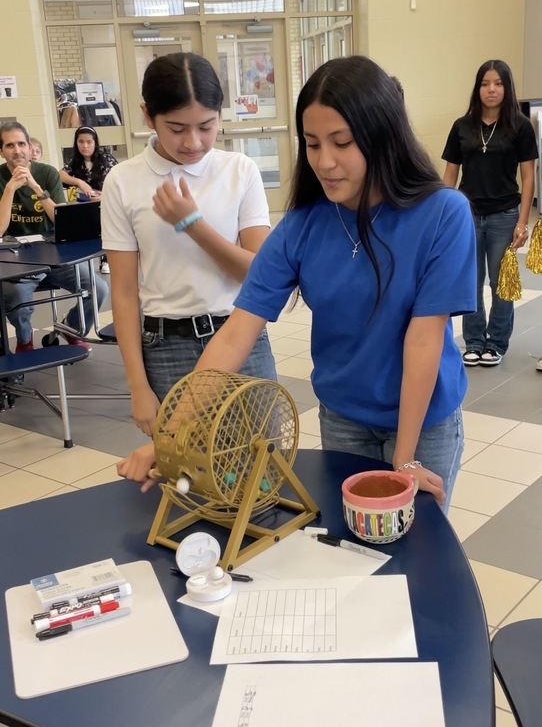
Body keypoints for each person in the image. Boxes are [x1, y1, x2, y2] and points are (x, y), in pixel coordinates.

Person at [116, 55, 476, 513]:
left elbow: (423, 340)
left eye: (341, 143)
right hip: (344, 418)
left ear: (382, 136)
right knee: (352, 540)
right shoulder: (302, 225)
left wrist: (404, 459)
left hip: (424, 424)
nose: (325, 162)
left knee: (413, 540)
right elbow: (234, 336)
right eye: (312, 144)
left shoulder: (443, 213)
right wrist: (171, 437)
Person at [101, 51, 276, 438]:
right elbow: (124, 292)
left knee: (265, 458)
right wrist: (137, 386)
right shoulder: (123, 181)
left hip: (241, 332)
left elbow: (259, 273)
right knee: (184, 463)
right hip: (167, 345)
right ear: (148, 116)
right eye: (177, 128)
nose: (194, 142)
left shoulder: (239, 170)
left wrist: (191, 224)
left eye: (206, 126)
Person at [442, 59, 538, 368]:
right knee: (470, 282)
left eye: (498, 84)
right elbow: (450, 175)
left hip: (505, 215)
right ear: (478, 88)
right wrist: (443, 215)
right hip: (467, 216)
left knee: (501, 283)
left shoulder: (520, 126)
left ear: (507, 88)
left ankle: (496, 342)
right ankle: (473, 341)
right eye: (485, 84)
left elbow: (528, 177)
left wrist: (523, 222)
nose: (491, 89)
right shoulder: (462, 126)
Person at [0, 121, 108, 352]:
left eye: (21, 144)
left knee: (99, 289)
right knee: (15, 297)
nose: (17, 150)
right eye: (10, 145)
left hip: (53, 255)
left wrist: (36, 188)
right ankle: (25, 339)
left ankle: (72, 328)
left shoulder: (47, 173)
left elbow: (60, 220)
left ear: (30, 147)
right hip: (16, 260)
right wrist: (10, 189)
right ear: (1, 151)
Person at [59, 126, 117, 274]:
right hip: (85, 204)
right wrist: (79, 182)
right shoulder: (75, 161)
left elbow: (120, 184)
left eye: (89, 142)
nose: (85, 146)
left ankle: (106, 259)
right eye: (81, 142)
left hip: (106, 202)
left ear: (95, 143)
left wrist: (103, 196)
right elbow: (60, 175)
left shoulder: (107, 159)